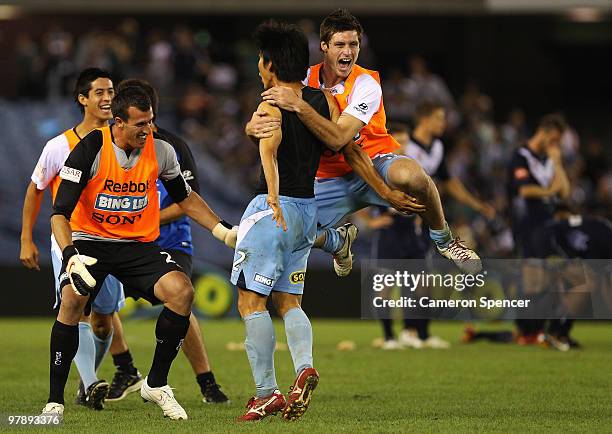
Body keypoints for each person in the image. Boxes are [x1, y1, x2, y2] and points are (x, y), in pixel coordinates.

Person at [41, 86, 237, 420]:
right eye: (140, 124)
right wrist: (71, 253)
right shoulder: (89, 149)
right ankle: (54, 401)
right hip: (90, 242)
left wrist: (222, 230)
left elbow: (186, 198)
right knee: (73, 301)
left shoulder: (162, 150)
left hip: (137, 245)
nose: (148, 130)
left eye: (151, 122)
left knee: (181, 292)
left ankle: (156, 384)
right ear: (118, 122)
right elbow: (60, 213)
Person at [250, 9, 481, 277]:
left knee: (414, 176)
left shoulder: (366, 83)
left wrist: (299, 106)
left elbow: (339, 139)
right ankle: (338, 241)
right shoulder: (303, 79)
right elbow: (269, 117)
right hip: (327, 179)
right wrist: (251, 127)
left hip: (373, 163)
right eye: (339, 44)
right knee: (281, 231)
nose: (347, 52)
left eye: (353, 44)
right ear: (324, 46)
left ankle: (445, 240)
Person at [233, 20, 351, 422]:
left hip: (275, 210)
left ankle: (266, 392)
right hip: (307, 209)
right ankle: (304, 367)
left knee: (251, 302)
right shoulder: (323, 101)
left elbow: (271, 148)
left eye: (259, 61)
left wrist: (270, 193)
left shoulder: (270, 102)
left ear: (269, 63)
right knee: (290, 301)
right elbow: (334, 139)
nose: (257, 69)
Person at [106, 78, 229, 404]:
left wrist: (144, 218)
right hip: (121, 242)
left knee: (180, 299)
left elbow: (188, 199)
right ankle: (121, 370)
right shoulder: (104, 148)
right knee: (97, 303)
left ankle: (207, 383)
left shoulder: (171, 148)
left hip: (169, 241)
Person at [21, 68, 123, 410]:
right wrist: (26, 239)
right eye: (99, 92)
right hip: (71, 238)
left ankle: (85, 382)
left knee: (104, 319)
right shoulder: (58, 146)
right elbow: (35, 190)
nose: (107, 98)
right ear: (82, 99)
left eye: (111, 91)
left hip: (113, 239)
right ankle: (91, 383)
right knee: (74, 305)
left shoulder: (121, 141)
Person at [376, 104, 495, 349]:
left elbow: (449, 183)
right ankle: (392, 335)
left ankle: (419, 332)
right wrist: (371, 218)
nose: (443, 123)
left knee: (422, 280)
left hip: (419, 222)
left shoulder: (436, 148)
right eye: (439, 118)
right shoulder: (393, 154)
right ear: (424, 119)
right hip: (395, 224)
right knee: (387, 284)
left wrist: (476, 204)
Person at [507, 114, 571, 344]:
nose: (555, 145)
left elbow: (565, 192)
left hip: (547, 226)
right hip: (526, 225)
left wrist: (558, 163)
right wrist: (550, 191)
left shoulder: (548, 160)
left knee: (544, 279)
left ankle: (534, 329)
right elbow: (525, 191)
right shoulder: (521, 156)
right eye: (554, 140)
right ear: (544, 132)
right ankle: (524, 329)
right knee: (531, 278)